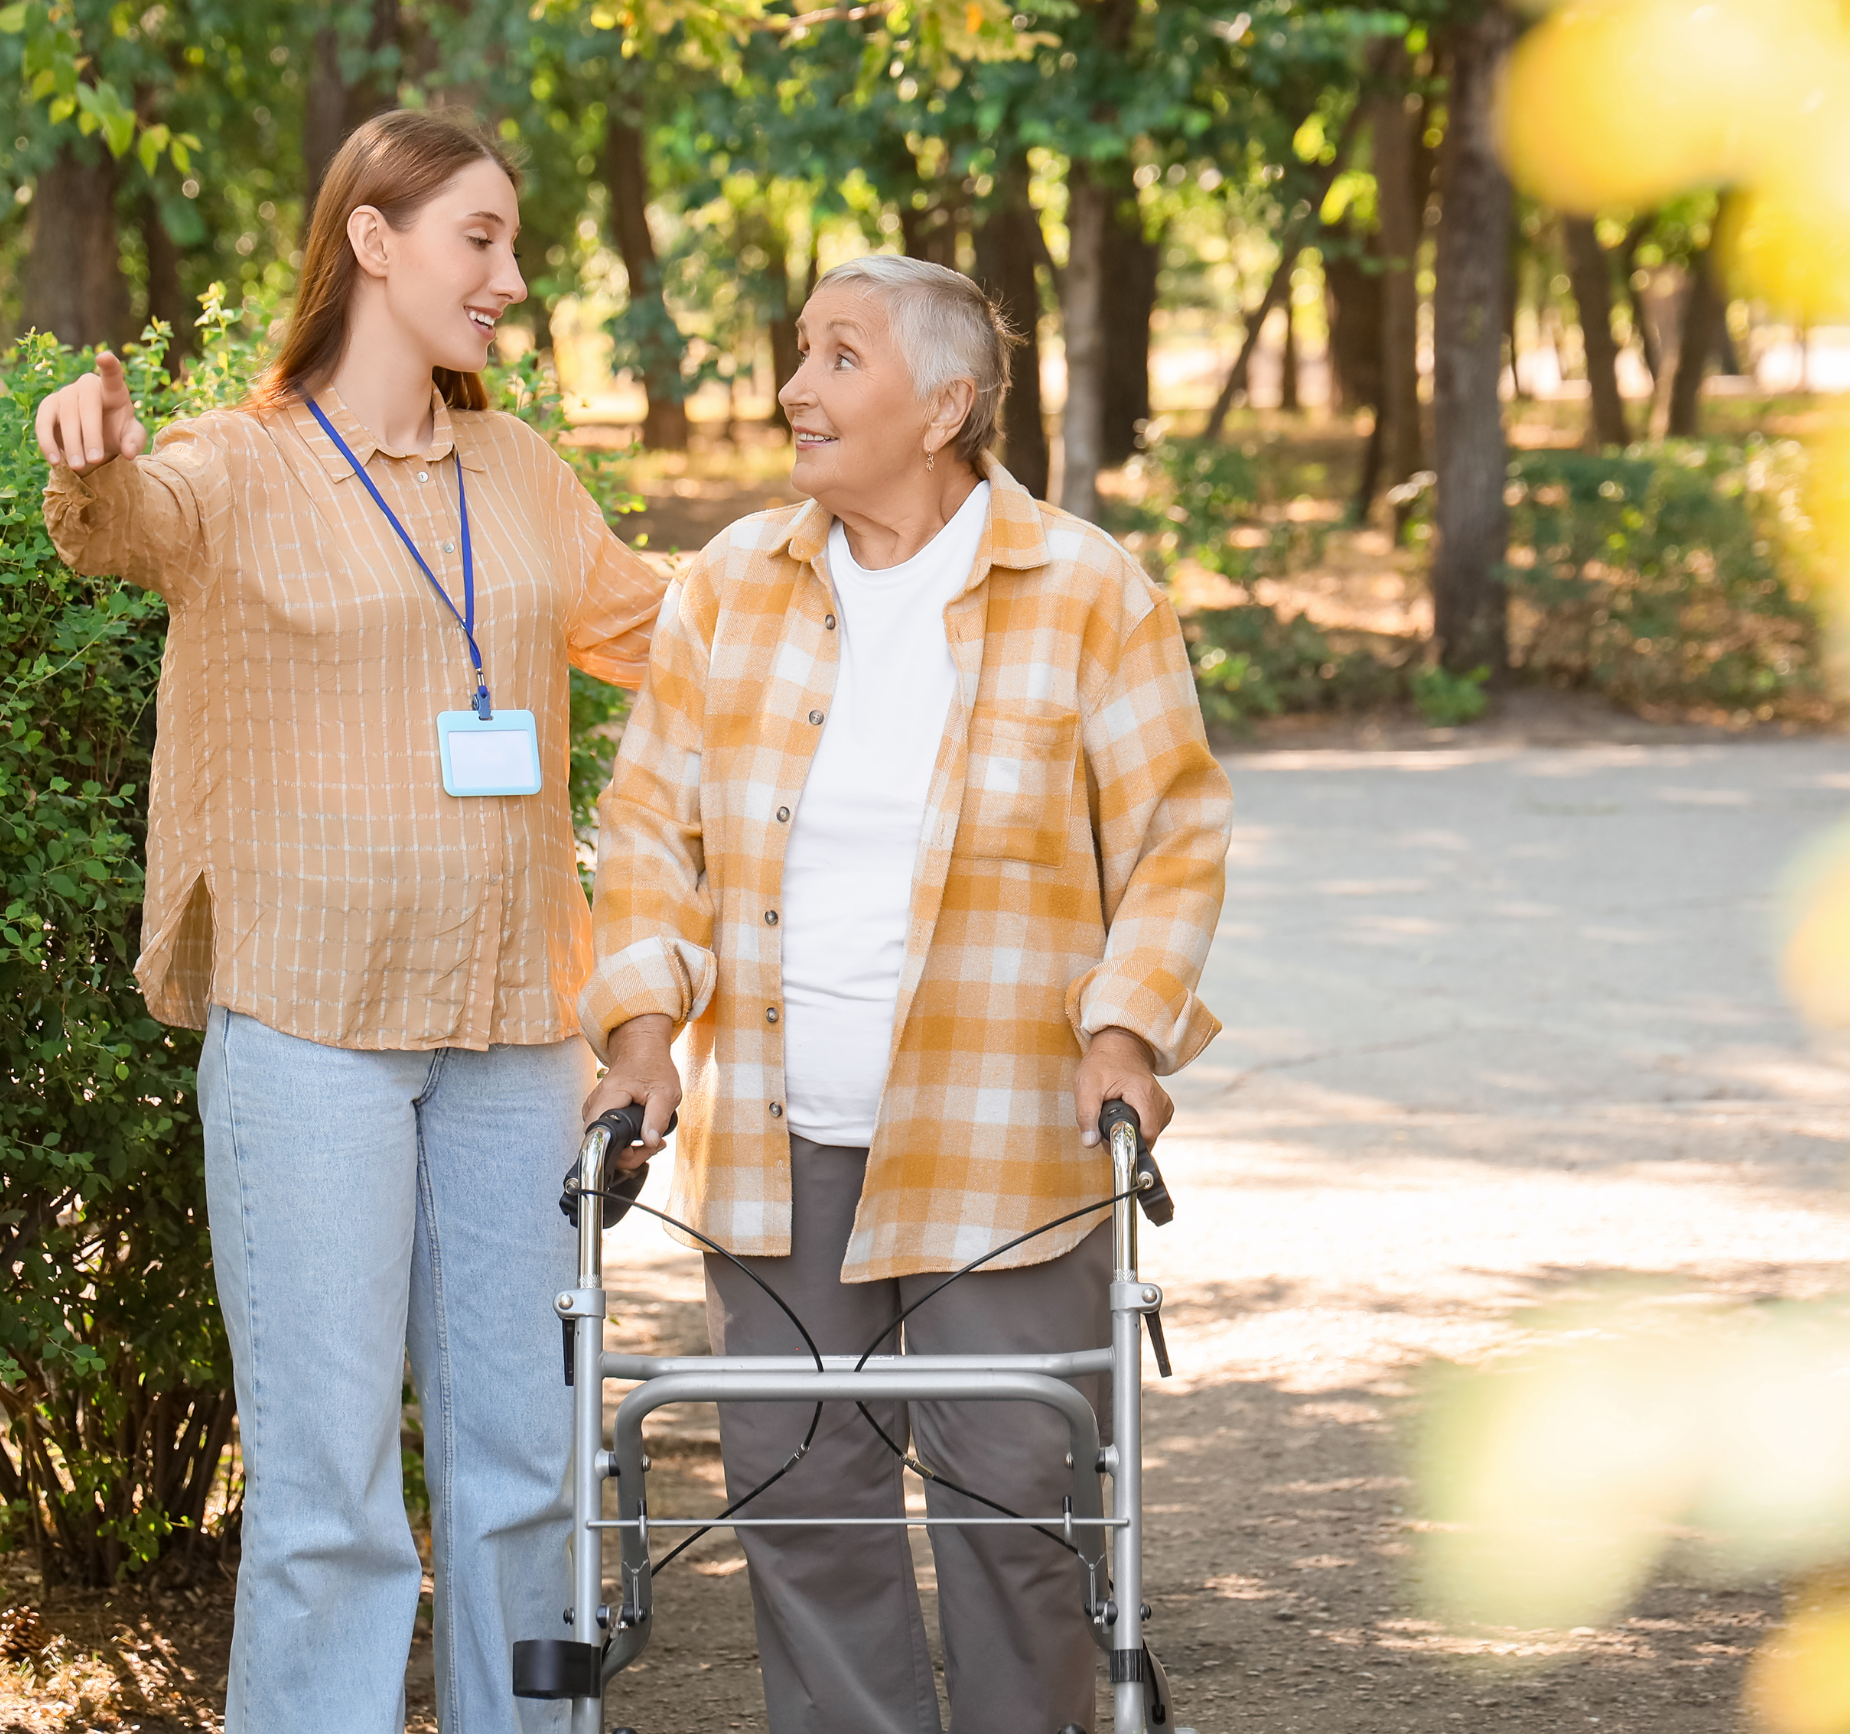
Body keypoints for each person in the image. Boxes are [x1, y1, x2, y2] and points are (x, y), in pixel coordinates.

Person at [36, 110, 665, 1733]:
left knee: (526, 1470)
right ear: (373, 243)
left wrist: (850, 538)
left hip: (514, 1031)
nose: (511, 277)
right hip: (310, 1035)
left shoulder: (521, 471)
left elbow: (669, 634)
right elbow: (128, 527)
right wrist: (90, 458)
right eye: (481, 240)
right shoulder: (236, 467)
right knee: (327, 1509)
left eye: (515, 243)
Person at [579, 252, 1233, 1732]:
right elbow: (646, 834)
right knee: (806, 1505)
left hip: (999, 1148)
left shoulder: (1084, 590)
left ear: (945, 404)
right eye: (801, 349)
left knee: (1018, 1514)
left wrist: (1125, 1030)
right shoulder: (731, 590)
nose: (796, 387)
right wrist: (638, 1036)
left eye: (840, 356)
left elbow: (1174, 840)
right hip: (777, 1149)